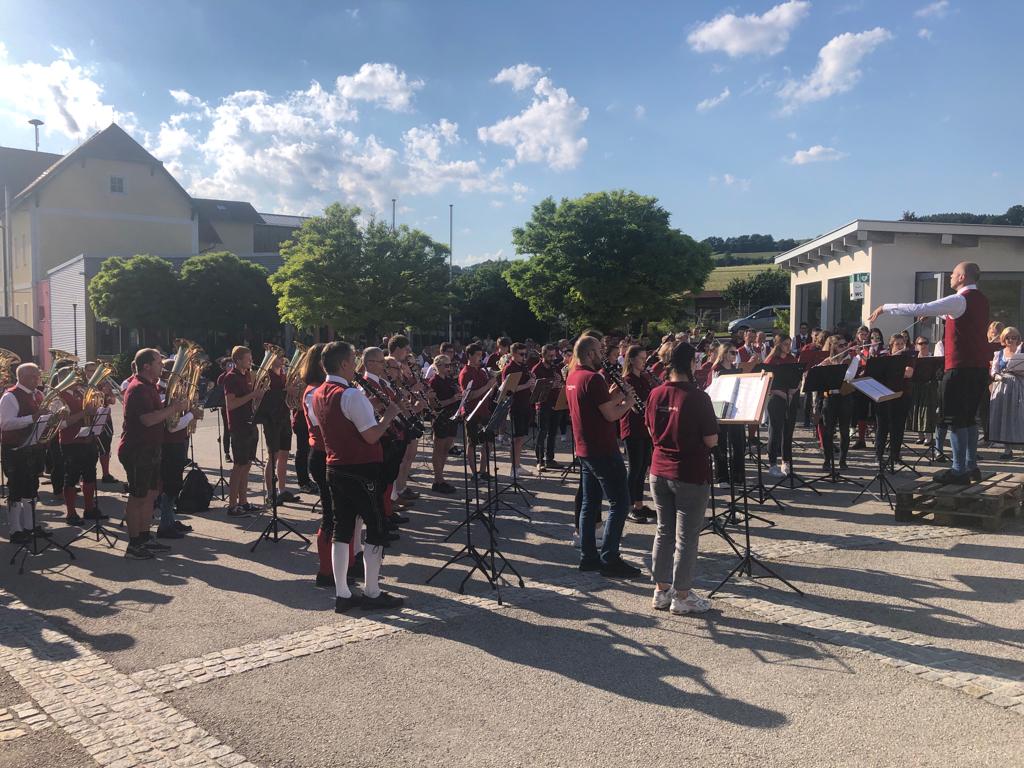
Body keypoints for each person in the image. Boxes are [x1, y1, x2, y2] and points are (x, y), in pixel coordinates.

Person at [870, 261, 990, 484]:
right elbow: (964, 320)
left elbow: (920, 308)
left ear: (962, 277)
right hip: (979, 369)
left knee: (955, 420)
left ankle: (958, 469)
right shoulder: (980, 300)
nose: (950, 277)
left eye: (953, 274)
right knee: (969, 419)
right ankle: (971, 466)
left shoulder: (958, 299)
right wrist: (940, 315)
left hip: (960, 368)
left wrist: (886, 307)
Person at [313, 341, 404, 612]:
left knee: (343, 529)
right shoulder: (351, 394)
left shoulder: (319, 392)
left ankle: (343, 593)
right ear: (343, 364)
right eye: (353, 361)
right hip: (360, 468)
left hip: (335, 467)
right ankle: (372, 592)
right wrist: (388, 415)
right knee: (375, 528)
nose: (356, 366)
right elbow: (371, 435)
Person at [645, 343, 719, 615]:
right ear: (691, 364)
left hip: (658, 470)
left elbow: (650, 428)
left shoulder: (655, 393)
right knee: (686, 537)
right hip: (689, 472)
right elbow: (711, 440)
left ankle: (661, 590)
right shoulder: (698, 397)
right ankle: (683, 596)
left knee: (664, 531)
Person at [566, 335, 641, 578]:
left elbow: (598, 406)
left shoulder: (574, 376)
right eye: (599, 350)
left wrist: (614, 396)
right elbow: (610, 415)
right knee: (620, 502)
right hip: (603, 449)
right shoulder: (592, 378)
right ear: (589, 354)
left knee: (590, 502)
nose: (603, 354)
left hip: (585, 448)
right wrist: (629, 401)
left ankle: (588, 557)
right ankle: (610, 558)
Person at [119, 349, 187, 559]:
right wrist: (174, 408)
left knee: (149, 495)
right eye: (158, 362)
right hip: (138, 449)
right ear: (146, 366)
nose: (162, 366)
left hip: (151, 448)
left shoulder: (149, 386)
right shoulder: (138, 388)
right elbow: (147, 419)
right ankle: (134, 544)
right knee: (137, 496)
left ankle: (145, 536)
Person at [300, 344, 336, 588]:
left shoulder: (321, 389)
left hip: (328, 452)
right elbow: (325, 423)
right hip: (322, 454)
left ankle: (339, 564)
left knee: (338, 514)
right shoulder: (314, 392)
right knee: (330, 515)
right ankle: (325, 571)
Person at [0, 363, 45, 543]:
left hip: (33, 448)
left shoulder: (39, 395)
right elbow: (5, 424)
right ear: (23, 377)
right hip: (15, 449)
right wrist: (32, 418)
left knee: (31, 488)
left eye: (37, 375)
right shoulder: (10, 396)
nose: (38, 379)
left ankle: (30, 526)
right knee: (16, 489)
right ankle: (15, 530)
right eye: (34, 376)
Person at [223, 346, 269, 515]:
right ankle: (232, 505)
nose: (251, 361)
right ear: (237, 361)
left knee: (247, 464)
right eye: (248, 359)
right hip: (238, 426)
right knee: (238, 466)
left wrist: (260, 395)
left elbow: (252, 400)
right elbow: (231, 404)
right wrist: (252, 395)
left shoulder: (248, 375)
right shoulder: (231, 378)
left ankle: (243, 501)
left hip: (251, 424)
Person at [57, 369, 99, 526]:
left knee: (90, 474)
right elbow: (61, 424)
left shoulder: (81, 392)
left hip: (88, 439)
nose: (78, 381)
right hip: (71, 442)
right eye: (74, 378)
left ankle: (89, 509)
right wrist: (84, 413)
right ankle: (71, 513)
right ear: (64, 379)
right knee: (72, 476)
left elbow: (90, 412)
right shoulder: (59, 397)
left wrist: (95, 411)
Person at [256, 352, 298, 505]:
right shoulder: (266, 375)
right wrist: (287, 391)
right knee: (272, 456)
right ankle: (270, 493)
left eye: (282, 357)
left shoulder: (283, 374)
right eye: (279, 358)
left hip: (284, 417)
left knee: (284, 455)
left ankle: (282, 489)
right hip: (271, 420)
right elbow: (266, 396)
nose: (282, 360)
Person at [621, 345, 655, 523]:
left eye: (645, 358)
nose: (644, 361)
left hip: (644, 427)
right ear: (632, 359)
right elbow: (634, 406)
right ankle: (627, 507)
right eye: (641, 358)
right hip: (632, 427)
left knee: (642, 468)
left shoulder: (644, 377)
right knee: (634, 468)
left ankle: (639, 505)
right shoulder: (627, 379)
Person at [458, 343, 497, 478]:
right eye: (478, 355)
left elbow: (489, 394)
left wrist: (492, 387)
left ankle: (483, 471)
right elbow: (469, 396)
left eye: (481, 355)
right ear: (469, 356)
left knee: (488, 442)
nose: (481, 358)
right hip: (471, 412)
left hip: (484, 410)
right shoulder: (465, 373)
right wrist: (487, 386)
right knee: (472, 442)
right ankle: (474, 473)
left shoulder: (482, 371)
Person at [763, 335, 800, 478]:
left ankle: (786, 462)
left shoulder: (791, 359)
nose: (788, 347)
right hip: (777, 399)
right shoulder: (771, 360)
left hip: (791, 398)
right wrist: (781, 393)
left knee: (788, 432)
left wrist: (794, 390)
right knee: (775, 431)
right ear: (778, 345)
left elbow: (798, 378)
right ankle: (773, 464)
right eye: (785, 344)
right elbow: (767, 384)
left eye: (789, 344)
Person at [874, 335, 913, 468]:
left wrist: (894, 371)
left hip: (902, 396)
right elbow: (877, 374)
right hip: (884, 396)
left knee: (898, 427)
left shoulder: (908, 359)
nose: (900, 346)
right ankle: (878, 455)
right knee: (882, 427)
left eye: (902, 344)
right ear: (891, 346)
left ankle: (895, 455)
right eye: (897, 344)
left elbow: (909, 373)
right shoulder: (884, 359)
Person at [710, 344, 745, 487]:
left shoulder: (736, 369)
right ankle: (722, 477)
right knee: (721, 443)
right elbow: (712, 389)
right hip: (721, 410)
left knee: (739, 443)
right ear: (724, 354)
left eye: (736, 353)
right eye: (732, 352)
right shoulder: (716, 369)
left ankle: (738, 476)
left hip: (736, 409)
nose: (735, 355)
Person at [817, 335, 854, 472]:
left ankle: (843, 460)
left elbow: (848, 376)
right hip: (829, 398)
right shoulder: (827, 361)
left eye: (845, 345)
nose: (845, 348)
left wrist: (834, 365)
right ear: (833, 347)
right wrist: (822, 365)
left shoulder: (852, 359)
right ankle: (827, 460)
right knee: (828, 431)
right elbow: (814, 374)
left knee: (844, 431)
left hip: (845, 397)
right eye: (841, 345)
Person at [428, 354, 462, 493]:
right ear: (439, 366)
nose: (449, 368)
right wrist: (453, 399)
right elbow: (435, 405)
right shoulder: (433, 382)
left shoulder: (449, 380)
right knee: (439, 448)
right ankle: (438, 480)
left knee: (447, 448)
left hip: (452, 416)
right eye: (447, 365)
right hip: (441, 418)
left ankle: (440, 478)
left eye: (450, 365)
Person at [501, 342, 536, 477]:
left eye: (525, 354)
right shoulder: (509, 368)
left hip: (526, 404)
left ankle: (518, 465)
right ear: (513, 354)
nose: (524, 357)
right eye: (521, 354)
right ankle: (513, 468)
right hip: (516, 406)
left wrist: (532, 382)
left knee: (521, 438)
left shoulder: (524, 367)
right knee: (516, 439)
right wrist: (526, 385)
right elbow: (507, 390)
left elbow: (528, 386)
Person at [989, 326, 1024, 459]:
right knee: (1005, 417)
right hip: (1003, 386)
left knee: (1019, 416)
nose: (1011, 340)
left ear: (1018, 339)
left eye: (1014, 337)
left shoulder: (1022, 351)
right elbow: (994, 371)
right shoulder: (999, 353)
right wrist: (997, 376)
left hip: (1019, 386)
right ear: (1004, 339)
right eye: (1008, 337)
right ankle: (1007, 450)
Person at [531, 343, 564, 471]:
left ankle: (550, 459)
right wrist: (551, 385)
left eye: (554, 355)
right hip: (543, 404)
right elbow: (534, 390)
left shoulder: (555, 368)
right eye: (550, 356)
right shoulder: (536, 369)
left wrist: (559, 383)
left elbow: (561, 382)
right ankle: (539, 461)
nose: (553, 358)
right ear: (543, 355)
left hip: (556, 403)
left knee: (552, 433)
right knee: (542, 432)